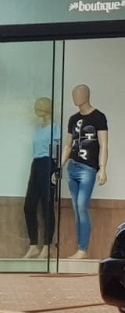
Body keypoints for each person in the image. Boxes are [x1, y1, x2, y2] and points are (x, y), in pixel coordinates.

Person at [56, 84, 109, 260]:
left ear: (87, 94)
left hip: (88, 168)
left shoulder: (99, 117)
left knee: (82, 206)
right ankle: (80, 249)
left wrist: (103, 169)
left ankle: (83, 249)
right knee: (76, 208)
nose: (76, 97)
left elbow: (104, 144)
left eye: (78, 94)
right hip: (73, 167)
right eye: (74, 94)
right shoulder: (73, 119)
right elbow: (68, 145)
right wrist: (60, 166)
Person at [23, 97, 60, 259]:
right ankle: (33, 245)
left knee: (47, 206)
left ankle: (47, 246)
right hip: (37, 164)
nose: (36, 108)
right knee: (29, 206)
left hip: (48, 163)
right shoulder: (39, 128)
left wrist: (56, 170)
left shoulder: (56, 128)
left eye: (40, 106)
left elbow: (58, 151)